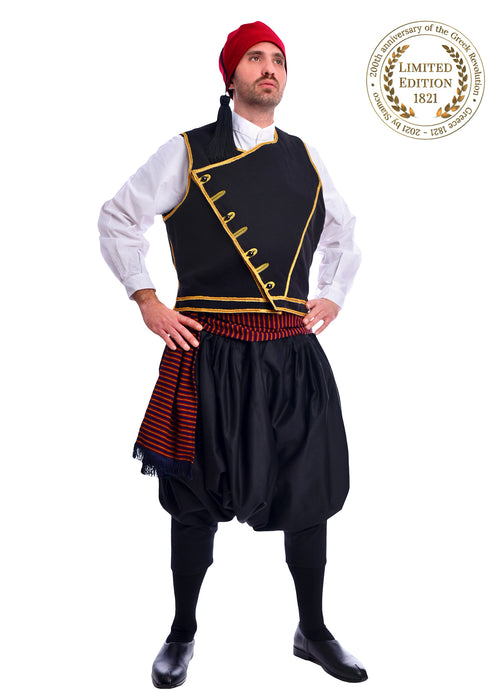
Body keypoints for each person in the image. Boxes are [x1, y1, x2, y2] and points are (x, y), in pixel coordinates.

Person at [99, 20, 367, 689]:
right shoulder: (187, 151)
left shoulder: (306, 157)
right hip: (210, 352)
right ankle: (181, 631)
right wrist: (146, 299)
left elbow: (344, 233)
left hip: (291, 355)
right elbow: (117, 217)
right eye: (254, 58)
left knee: (308, 493)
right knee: (193, 498)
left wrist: (332, 294)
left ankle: (312, 630)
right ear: (231, 74)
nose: (268, 68)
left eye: (277, 59)